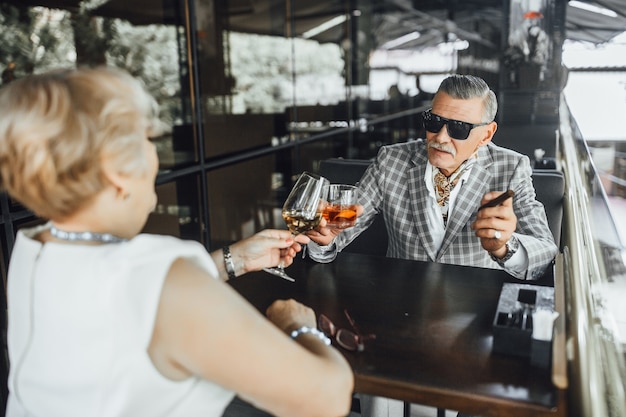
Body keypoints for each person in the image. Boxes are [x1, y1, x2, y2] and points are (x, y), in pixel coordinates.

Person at [0, 66, 353, 417]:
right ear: (116, 171)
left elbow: (125, 303)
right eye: (148, 141)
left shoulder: (35, 249)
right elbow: (328, 399)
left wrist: (234, 260)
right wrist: (298, 327)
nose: (156, 157)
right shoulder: (161, 278)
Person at [308, 74, 558, 281]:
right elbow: (346, 219)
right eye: (434, 122)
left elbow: (545, 252)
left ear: (486, 135)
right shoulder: (391, 160)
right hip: (399, 299)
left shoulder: (511, 168)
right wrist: (324, 234)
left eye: (459, 128)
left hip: (474, 308)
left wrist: (505, 247)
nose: (440, 137)